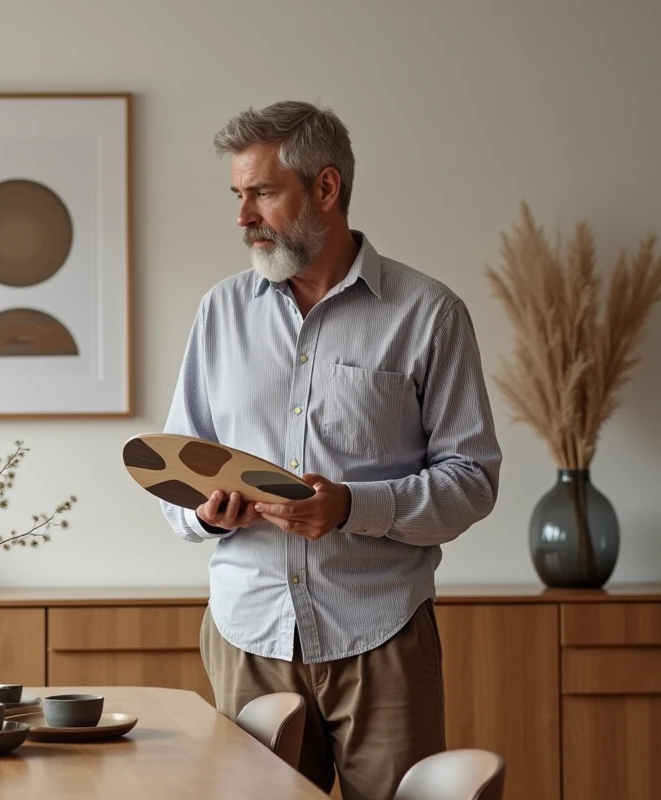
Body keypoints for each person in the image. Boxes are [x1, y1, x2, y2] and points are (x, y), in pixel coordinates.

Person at [159, 100, 503, 800]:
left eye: (261, 192)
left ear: (325, 188)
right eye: (238, 194)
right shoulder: (219, 314)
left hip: (382, 637)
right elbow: (174, 477)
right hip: (246, 635)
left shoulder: (429, 314)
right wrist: (207, 515)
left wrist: (350, 507)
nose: (242, 215)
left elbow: (473, 481)